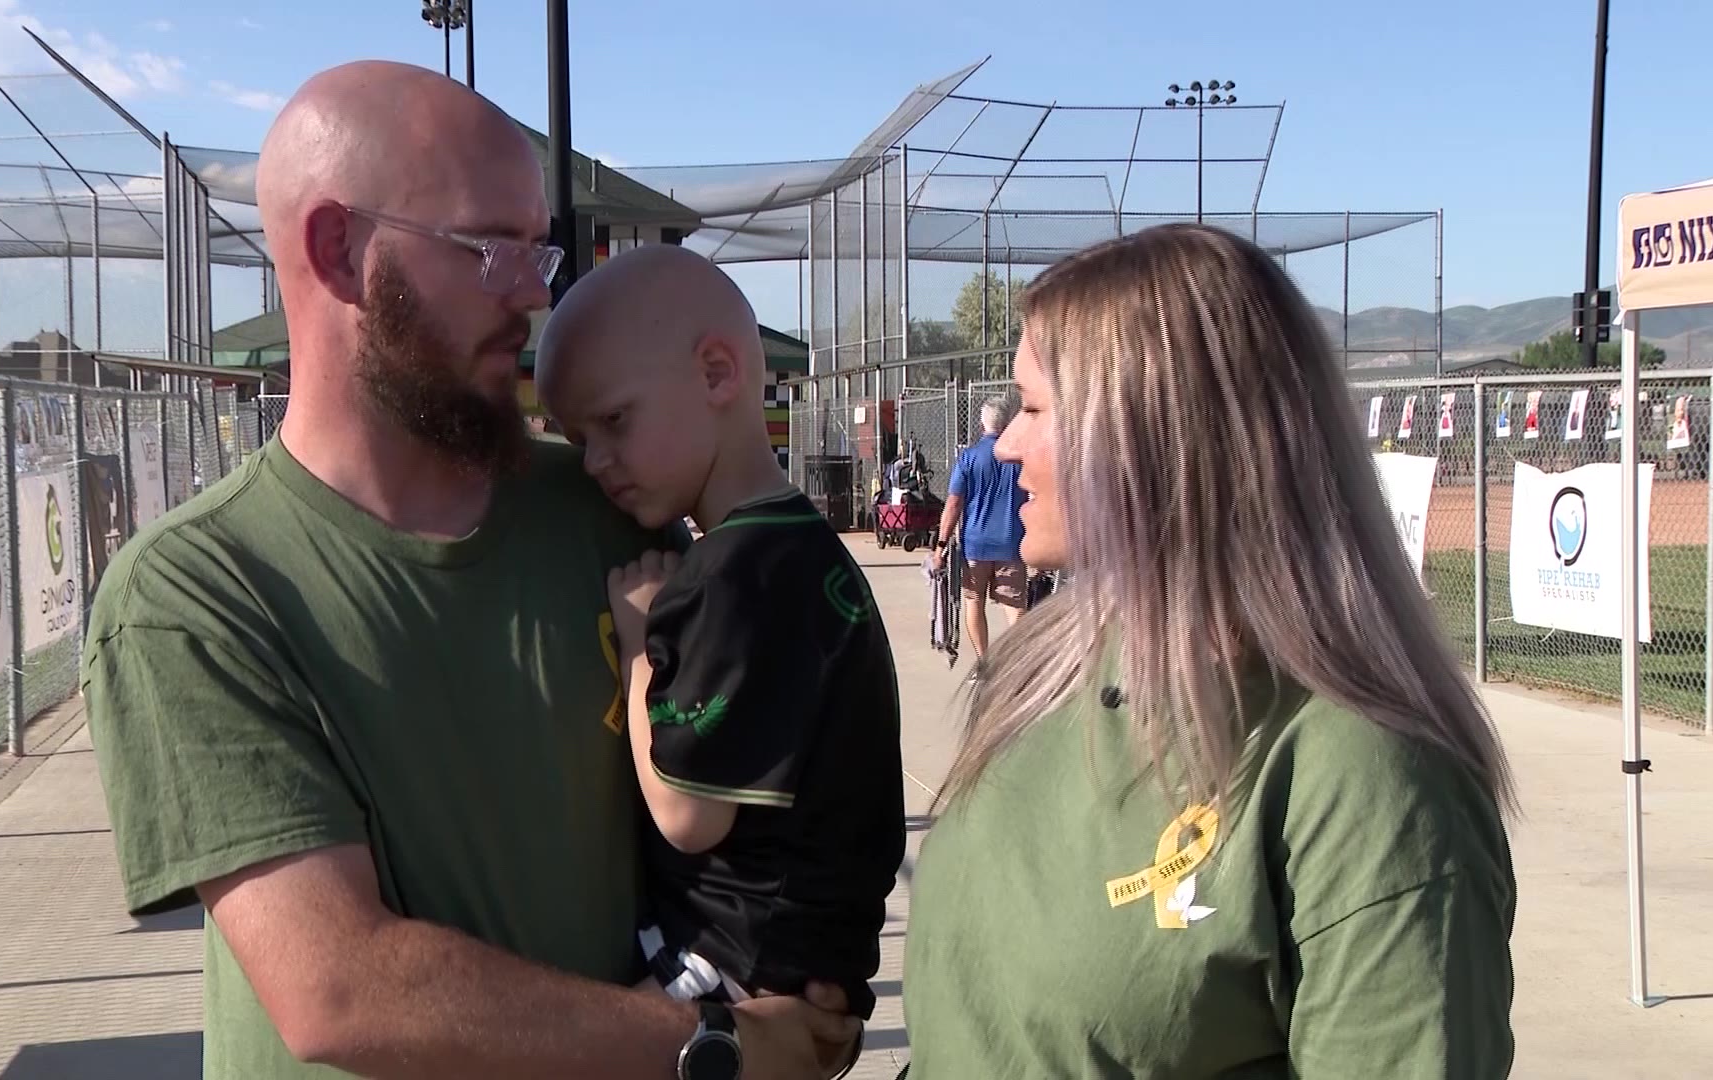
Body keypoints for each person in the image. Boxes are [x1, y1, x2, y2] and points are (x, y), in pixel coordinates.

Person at [79, 60, 856, 1080]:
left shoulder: (602, 513)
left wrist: (797, 971)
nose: (537, 295)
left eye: (542, 249)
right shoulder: (195, 595)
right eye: (492, 248)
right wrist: (714, 1046)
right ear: (338, 249)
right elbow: (339, 990)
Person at [901, 224, 1518, 1078]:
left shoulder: (1367, 781)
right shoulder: (1039, 671)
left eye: (1035, 409)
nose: (1006, 446)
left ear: (1158, 438)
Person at [533, 245, 905, 1073]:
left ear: (715, 373)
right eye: (577, 438)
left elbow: (687, 816)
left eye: (614, 422)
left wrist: (638, 647)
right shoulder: (809, 552)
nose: (594, 462)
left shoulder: (725, 579)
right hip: (810, 962)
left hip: (735, 970)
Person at [930, 398, 1028, 659]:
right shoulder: (1019, 457)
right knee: (1014, 604)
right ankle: (1018, 659)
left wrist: (941, 545)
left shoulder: (969, 458)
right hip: (1011, 542)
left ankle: (984, 660)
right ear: (1007, 422)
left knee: (974, 600)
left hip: (975, 544)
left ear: (982, 424)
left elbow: (953, 505)